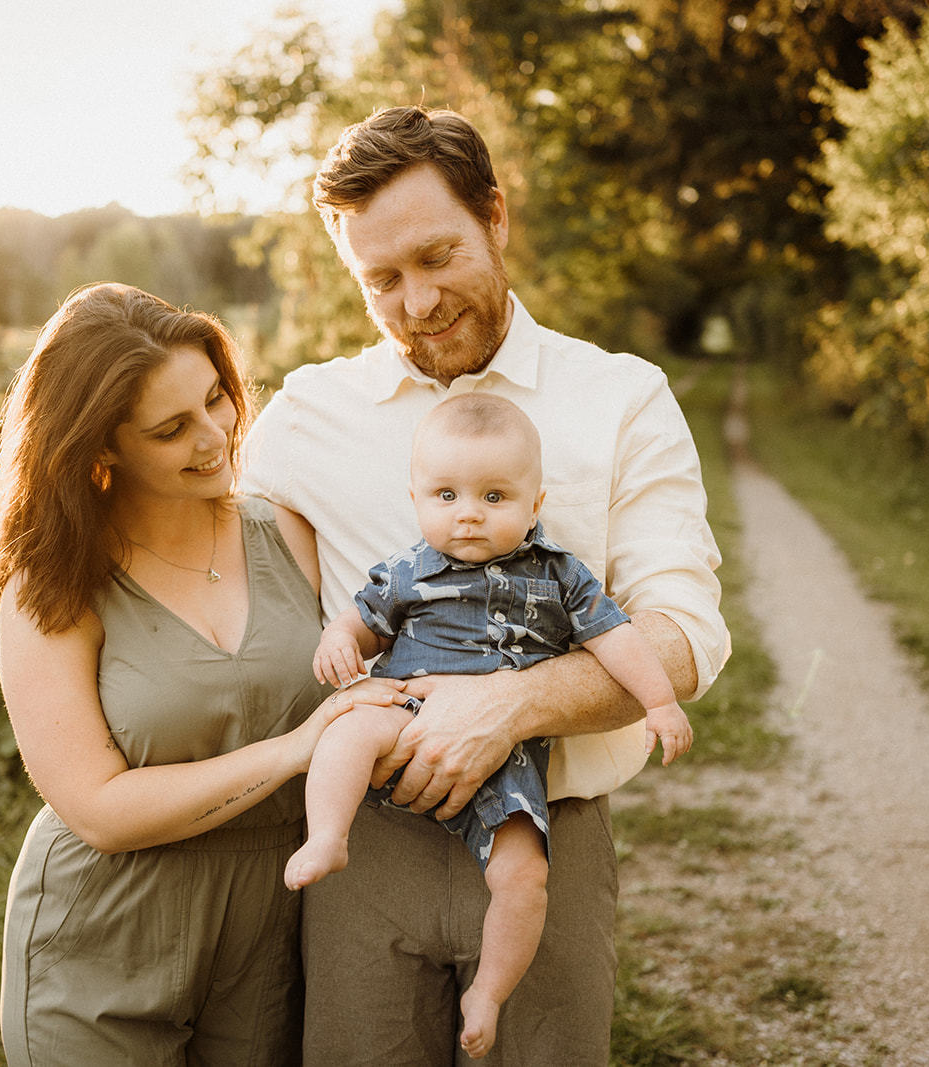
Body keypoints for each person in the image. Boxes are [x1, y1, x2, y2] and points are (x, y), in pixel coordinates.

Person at [240, 106, 731, 1065]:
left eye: (438, 257)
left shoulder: (622, 398)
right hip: (361, 852)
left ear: (495, 217)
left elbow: (685, 632)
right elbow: (214, 577)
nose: (416, 302)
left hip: (545, 837)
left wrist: (509, 705)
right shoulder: (305, 417)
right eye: (381, 279)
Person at [0, 282, 404, 1066]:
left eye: (216, 399)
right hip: (104, 937)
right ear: (101, 446)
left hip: (271, 933)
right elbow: (97, 808)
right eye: (172, 428)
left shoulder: (291, 534)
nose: (217, 437)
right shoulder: (53, 583)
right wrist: (293, 749)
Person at [287, 393, 693, 1058]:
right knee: (347, 730)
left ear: (536, 503)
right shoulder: (409, 570)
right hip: (407, 719)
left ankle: (491, 992)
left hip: (509, 760)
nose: (468, 512)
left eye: (494, 496)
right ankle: (328, 834)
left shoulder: (561, 575)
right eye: (445, 494)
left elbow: (619, 640)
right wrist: (338, 642)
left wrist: (661, 701)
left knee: (525, 876)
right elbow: (359, 623)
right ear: (416, 498)